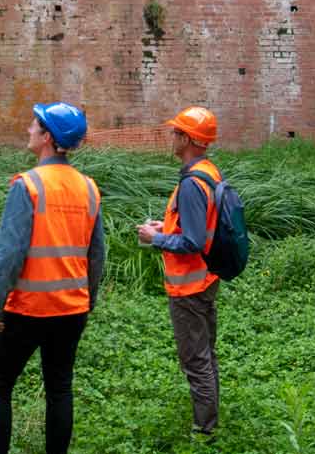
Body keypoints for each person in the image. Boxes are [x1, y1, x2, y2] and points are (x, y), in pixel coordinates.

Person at [0, 101, 105, 454]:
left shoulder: (28, 185)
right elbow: (97, 255)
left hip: (27, 309)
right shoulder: (89, 188)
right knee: (59, 388)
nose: (28, 129)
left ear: (48, 137)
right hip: (72, 310)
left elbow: (9, 255)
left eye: (34, 125)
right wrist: (88, 299)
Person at [135, 105, 224, 440]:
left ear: (187, 139)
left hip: (189, 288)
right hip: (205, 279)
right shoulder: (208, 172)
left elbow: (193, 241)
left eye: (176, 132)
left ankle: (205, 431)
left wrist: (155, 238)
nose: (171, 137)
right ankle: (210, 418)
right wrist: (167, 226)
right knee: (206, 354)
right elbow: (198, 225)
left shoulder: (191, 184)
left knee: (196, 360)